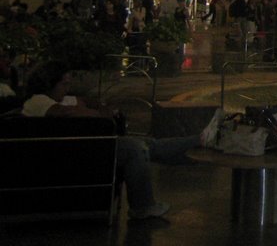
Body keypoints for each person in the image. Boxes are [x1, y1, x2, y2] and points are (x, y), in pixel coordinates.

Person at [21, 60, 222, 220]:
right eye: (64, 84)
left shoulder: (61, 99)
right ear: (49, 83)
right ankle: (142, 206)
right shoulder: (38, 102)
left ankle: (202, 141)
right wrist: (97, 113)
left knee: (150, 145)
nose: (67, 88)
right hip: (79, 153)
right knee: (137, 148)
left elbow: (84, 103)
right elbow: (65, 113)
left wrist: (95, 107)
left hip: (89, 148)